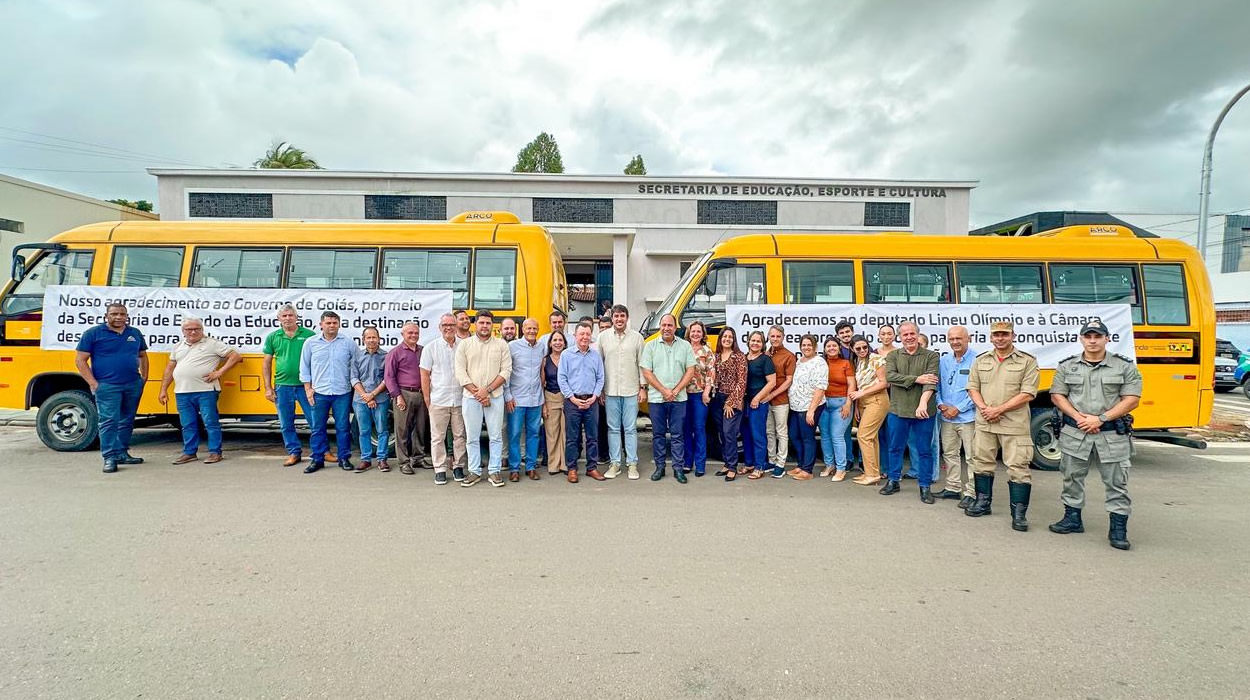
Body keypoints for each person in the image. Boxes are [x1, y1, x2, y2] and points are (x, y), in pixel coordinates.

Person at [1048, 320, 1142, 550]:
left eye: (1097, 336)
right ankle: (1072, 518)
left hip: (1110, 434)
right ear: (1081, 339)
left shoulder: (1124, 366)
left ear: (1107, 339)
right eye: (1088, 336)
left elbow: (1132, 399)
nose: (1092, 341)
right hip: (1075, 431)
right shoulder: (1067, 366)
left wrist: (1101, 419)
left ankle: (1118, 529)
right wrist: (1079, 417)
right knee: (1071, 477)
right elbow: (1057, 395)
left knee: (1117, 482)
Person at [965, 320, 1041, 531]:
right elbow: (972, 388)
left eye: (1004, 335)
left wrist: (999, 410)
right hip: (985, 423)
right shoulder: (981, 360)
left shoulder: (1027, 361)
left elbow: (1027, 393)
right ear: (990, 337)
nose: (1000, 338)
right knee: (981, 462)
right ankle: (982, 503)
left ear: (1012, 336)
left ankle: (1018, 514)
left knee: (1018, 468)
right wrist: (984, 408)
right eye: (996, 335)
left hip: (1013, 425)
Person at [76, 302, 149, 473]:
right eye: (114, 314)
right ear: (106, 315)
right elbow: (80, 360)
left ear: (127, 316)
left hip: (132, 384)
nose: (118, 317)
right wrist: (93, 383)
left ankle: (122, 453)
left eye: (122, 314)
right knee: (109, 421)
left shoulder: (134, 333)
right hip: (107, 386)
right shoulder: (93, 334)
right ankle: (109, 457)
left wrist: (143, 378)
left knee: (127, 420)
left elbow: (143, 356)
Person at [158, 316, 241, 465]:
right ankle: (189, 453)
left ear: (202, 330)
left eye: (197, 329)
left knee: (210, 422)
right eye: (189, 329)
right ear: (183, 331)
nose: (193, 332)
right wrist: (163, 389)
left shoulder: (212, 344)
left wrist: (219, 372)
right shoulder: (178, 346)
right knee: (187, 424)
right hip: (182, 392)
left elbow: (235, 356)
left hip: (206, 390)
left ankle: (215, 452)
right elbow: (170, 368)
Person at [881, 321, 940, 503]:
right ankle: (893, 480)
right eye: (905, 334)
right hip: (898, 410)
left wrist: (922, 402)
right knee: (895, 448)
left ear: (918, 334)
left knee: (924, 450)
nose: (909, 337)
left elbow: (931, 381)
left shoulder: (932, 356)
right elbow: (890, 376)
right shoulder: (893, 355)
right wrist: (917, 379)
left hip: (923, 412)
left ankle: (924, 486)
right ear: (900, 337)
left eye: (912, 333)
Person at [300, 310, 364, 474]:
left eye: (334, 323)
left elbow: (358, 363)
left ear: (339, 324)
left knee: (343, 427)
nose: (331, 326)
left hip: (342, 393)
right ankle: (317, 459)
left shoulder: (348, 343)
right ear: (321, 324)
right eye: (328, 323)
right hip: (319, 392)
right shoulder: (311, 343)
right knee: (317, 428)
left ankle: (344, 458)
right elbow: (304, 367)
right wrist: (308, 389)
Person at [454, 310, 513, 488]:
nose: (485, 326)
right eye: (481, 323)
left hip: (495, 397)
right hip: (471, 398)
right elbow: (460, 372)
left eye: (488, 323)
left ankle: (494, 471)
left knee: (495, 436)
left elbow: (506, 371)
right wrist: (478, 393)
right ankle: (474, 471)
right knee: (472, 437)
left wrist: (486, 391)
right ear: (475, 324)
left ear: (492, 325)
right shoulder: (465, 345)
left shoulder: (501, 345)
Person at [263, 304, 326, 467]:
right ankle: (294, 452)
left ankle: (322, 451)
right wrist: (268, 388)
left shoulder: (309, 335)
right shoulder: (273, 337)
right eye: (284, 316)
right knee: (286, 422)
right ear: (279, 319)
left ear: (296, 317)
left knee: (315, 421)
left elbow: (317, 360)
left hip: (305, 386)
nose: (287, 318)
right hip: (282, 386)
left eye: (290, 315)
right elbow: (267, 363)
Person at [641, 313, 696, 483]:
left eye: (669, 325)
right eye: (663, 325)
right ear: (660, 327)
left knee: (677, 434)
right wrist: (664, 390)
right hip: (657, 399)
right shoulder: (650, 346)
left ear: (675, 328)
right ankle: (660, 468)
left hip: (679, 399)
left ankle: (678, 469)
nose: (666, 328)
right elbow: (647, 372)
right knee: (658, 434)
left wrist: (676, 389)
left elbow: (690, 370)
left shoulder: (685, 346)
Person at [598, 304, 646, 480]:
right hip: (610, 390)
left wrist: (643, 387)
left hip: (631, 390)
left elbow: (642, 364)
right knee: (613, 429)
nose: (619, 319)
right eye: (616, 316)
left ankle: (632, 464)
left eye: (622, 316)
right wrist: (600, 390)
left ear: (627, 318)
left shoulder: (637, 338)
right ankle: (615, 463)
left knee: (631, 428)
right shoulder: (603, 338)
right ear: (612, 319)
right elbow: (598, 366)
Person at [421, 313, 467, 484]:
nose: (448, 328)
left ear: (456, 327)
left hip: (461, 399)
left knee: (460, 436)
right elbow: (424, 374)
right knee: (437, 437)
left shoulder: (464, 346)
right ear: (439, 327)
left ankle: (458, 466)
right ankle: (439, 468)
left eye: (451, 324)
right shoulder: (430, 348)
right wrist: (427, 399)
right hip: (438, 399)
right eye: (444, 325)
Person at [559, 322, 606, 482]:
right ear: (575, 336)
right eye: (582, 334)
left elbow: (600, 377)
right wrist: (572, 398)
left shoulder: (595, 355)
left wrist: (595, 396)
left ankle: (591, 468)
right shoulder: (566, 355)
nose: (585, 337)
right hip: (572, 401)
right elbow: (562, 378)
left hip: (591, 401)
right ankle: (572, 468)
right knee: (573, 437)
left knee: (592, 437)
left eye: (587, 334)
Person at [936, 325, 977, 507]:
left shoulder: (977, 360)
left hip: (968, 417)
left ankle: (972, 492)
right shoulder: (944, 361)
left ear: (968, 338)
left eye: (959, 338)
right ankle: (952, 487)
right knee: (950, 454)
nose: (955, 342)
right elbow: (936, 386)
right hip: (946, 417)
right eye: (951, 339)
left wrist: (958, 408)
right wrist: (941, 405)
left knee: (971, 456)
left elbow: (978, 390)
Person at [385, 322, 429, 475]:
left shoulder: (423, 351)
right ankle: (404, 462)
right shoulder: (395, 353)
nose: (414, 336)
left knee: (421, 428)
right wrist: (397, 396)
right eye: (410, 333)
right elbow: (389, 377)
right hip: (403, 394)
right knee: (402, 430)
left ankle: (418, 458)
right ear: (403, 334)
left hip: (421, 394)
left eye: (416, 333)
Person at [505, 318, 545, 481]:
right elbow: (506, 371)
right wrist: (508, 395)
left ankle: (530, 467)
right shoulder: (512, 347)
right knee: (514, 434)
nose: (531, 331)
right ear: (522, 329)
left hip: (535, 398)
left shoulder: (541, 347)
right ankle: (514, 469)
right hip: (517, 399)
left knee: (534, 434)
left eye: (534, 329)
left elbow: (541, 370)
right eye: (528, 328)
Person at [848, 335, 888, 486]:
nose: (862, 350)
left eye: (865, 347)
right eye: (858, 348)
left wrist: (861, 394)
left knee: (863, 436)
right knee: (871, 438)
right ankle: (873, 472)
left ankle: (871, 474)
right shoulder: (858, 362)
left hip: (877, 400)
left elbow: (884, 383)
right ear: (852, 349)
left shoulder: (876, 359)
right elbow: (861, 385)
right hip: (864, 403)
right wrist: (858, 404)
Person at [786, 335, 828, 481]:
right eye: (803, 345)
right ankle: (801, 464)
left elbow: (820, 388)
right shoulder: (800, 361)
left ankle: (807, 470)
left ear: (815, 347)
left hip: (810, 407)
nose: (806, 347)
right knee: (794, 435)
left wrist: (811, 410)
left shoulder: (819, 362)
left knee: (807, 437)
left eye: (809, 345)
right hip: (796, 406)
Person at [710, 327, 747, 481]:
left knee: (729, 433)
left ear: (734, 339)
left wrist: (731, 402)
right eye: (724, 336)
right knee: (721, 433)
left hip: (733, 400)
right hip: (717, 399)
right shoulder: (717, 356)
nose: (727, 339)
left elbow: (742, 382)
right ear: (720, 339)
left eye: (730, 337)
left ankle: (732, 467)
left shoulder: (739, 357)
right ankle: (726, 463)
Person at [353, 327, 390, 473]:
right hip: (360, 400)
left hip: (380, 399)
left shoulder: (386, 356)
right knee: (364, 430)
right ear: (363, 339)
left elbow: (388, 379)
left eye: (374, 337)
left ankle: (382, 459)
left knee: (382, 430)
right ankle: (366, 459)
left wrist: (372, 395)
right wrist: (366, 396)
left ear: (379, 339)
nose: (371, 340)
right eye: (368, 337)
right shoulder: (357, 356)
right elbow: (353, 378)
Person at [819, 336, 856, 481]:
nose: (831, 348)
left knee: (837, 436)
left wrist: (848, 404)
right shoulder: (821, 363)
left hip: (841, 403)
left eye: (834, 345)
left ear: (839, 348)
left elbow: (852, 384)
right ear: (825, 349)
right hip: (823, 403)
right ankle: (830, 465)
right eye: (828, 346)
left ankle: (841, 468)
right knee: (825, 436)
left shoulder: (845, 363)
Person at [681, 321, 716, 477]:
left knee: (699, 429)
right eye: (693, 331)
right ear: (689, 333)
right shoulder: (682, 348)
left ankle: (700, 465)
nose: (695, 334)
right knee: (685, 429)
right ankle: (687, 463)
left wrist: (706, 392)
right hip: (682, 394)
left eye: (698, 331)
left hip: (699, 394)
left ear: (703, 334)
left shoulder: (707, 351)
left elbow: (711, 373)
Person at [741, 331, 776, 479]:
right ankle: (749, 463)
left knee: (758, 434)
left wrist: (757, 398)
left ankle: (760, 465)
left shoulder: (765, 360)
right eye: (753, 340)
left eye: (758, 341)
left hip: (758, 402)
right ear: (748, 342)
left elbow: (772, 382)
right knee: (746, 434)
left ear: (762, 344)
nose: (755, 343)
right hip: (744, 402)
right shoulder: (743, 358)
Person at [762, 325, 795, 476]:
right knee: (769, 431)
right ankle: (772, 460)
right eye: (772, 336)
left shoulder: (789, 355)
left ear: (783, 337)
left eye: (778, 336)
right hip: (766, 401)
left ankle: (781, 463)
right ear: (768, 337)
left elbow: (788, 381)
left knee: (781, 432)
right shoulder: (766, 353)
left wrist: (772, 395)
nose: (775, 339)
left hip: (781, 400)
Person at [541, 331, 568, 475]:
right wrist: (543, 404)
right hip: (550, 398)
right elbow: (541, 383)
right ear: (550, 343)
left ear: (564, 343)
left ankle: (565, 464)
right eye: (555, 340)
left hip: (567, 398)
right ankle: (553, 465)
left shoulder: (569, 357)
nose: (558, 342)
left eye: (560, 340)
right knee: (552, 434)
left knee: (565, 433)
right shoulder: (545, 360)